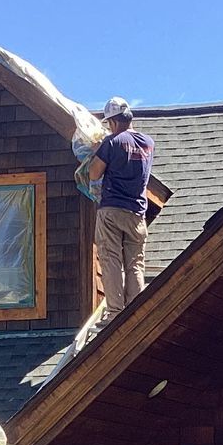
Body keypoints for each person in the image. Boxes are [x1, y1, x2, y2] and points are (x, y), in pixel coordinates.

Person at [88, 97, 154, 314]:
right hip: (137, 213)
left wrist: (97, 150)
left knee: (111, 259)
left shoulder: (112, 142)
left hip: (112, 210)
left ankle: (116, 312)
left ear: (113, 122)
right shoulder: (148, 143)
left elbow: (94, 173)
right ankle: (134, 312)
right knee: (135, 263)